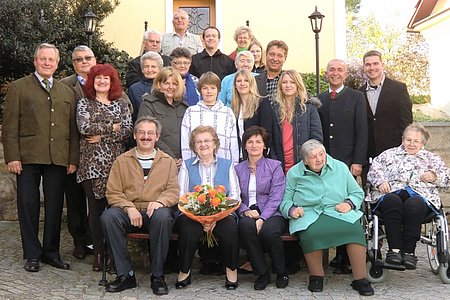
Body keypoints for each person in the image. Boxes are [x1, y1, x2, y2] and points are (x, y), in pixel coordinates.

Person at [3, 43, 78, 272]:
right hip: (27, 156)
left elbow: (72, 129)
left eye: (51, 60)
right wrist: (12, 156)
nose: (47, 63)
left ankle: (51, 253)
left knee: (55, 206)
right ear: (35, 61)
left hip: (58, 158)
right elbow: (9, 126)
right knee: (28, 205)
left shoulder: (67, 91)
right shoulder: (19, 87)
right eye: (43, 59)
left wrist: (72, 158)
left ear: (57, 63)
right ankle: (32, 254)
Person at [279, 140, 374, 296]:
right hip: (308, 213)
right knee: (310, 233)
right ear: (305, 160)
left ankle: (360, 279)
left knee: (354, 230)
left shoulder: (340, 167)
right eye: (313, 156)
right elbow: (285, 201)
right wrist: (291, 210)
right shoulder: (294, 173)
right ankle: (316, 276)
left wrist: (349, 204)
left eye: (321, 154)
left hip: (337, 210)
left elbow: (357, 193)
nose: (319, 159)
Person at [101, 116, 179, 295]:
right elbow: (113, 192)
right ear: (135, 135)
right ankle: (125, 275)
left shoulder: (167, 162)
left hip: (156, 213)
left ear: (157, 137)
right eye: (141, 132)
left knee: (164, 216)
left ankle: (157, 276)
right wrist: (128, 207)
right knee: (108, 217)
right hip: (129, 212)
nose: (146, 137)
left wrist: (160, 202)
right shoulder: (122, 161)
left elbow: (173, 191)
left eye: (150, 133)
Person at [366, 124, 450, 270]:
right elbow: (374, 170)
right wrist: (380, 182)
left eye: (416, 141)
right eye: (408, 140)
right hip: (390, 193)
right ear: (402, 139)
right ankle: (394, 251)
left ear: (423, 143)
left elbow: (447, 179)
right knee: (392, 200)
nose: (411, 144)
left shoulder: (432, 159)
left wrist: (434, 176)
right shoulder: (388, 154)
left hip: (421, 196)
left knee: (414, 204)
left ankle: (409, 252)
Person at [76, 64, 132, 272]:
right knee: (96, 210)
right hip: (92, 166)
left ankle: (113, 253)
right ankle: (99, 252)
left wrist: (102, 136)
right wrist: (111, 127)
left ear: (112, 82)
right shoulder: (84, 103)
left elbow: (127, 131)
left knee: (115, 210)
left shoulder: (121, 104)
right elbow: (84, 127)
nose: (102, 82)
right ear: (92, 81)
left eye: (106, 79)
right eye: (98, 78)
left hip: (116, 165)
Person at [317, 58, 368, 274]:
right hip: (325, 163)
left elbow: (362, 130)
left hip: (347, 162)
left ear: (345, 74)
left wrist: (358, 161)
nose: (335, 73)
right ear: (326, 73)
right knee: (329, 203)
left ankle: (345, 256)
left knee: (346, 206)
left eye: (339, 70)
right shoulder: (319, 99)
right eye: (331, 70)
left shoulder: (356, 97)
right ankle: (331, 254)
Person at [176, 125, 241, 290]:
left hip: (223, 214)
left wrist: (214, 217)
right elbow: (182, 195)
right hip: (192, 214)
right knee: (188, 230)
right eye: (198, 142)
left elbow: (234, 195)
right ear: (194, 146)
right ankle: (185, 271)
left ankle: (231, 270)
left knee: (230, 228)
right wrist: (199, 216)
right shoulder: (187, 165)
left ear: (215, 144)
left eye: (207, 141)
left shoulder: (227, 165)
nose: (203, 144)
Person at [235, 126, 288, 290]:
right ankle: (262, 273)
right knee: (244, 226)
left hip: (273, 213)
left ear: (264, 146)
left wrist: (263, 218)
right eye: (250, 142)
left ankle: (281, 271)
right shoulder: (237, 168)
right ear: (244, 146)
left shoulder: (274, 166)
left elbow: (277, 196)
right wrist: (244, 209)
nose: (254, 145)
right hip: (248, 212)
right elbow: (234, 194)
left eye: (258, 142)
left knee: (269, 231)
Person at [60, 45, 94, 260]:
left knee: (99, 200)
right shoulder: (64, 85)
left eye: (88, 58)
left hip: (101, 153)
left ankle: (95, 240)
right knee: (75, 200)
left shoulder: (105, 80)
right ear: (73, 63)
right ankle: (79, 241)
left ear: (95, 59)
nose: (84, 62)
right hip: (74, 150)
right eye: (79, 59)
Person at [360, 50, 413, 161]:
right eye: (368, 64)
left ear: (382, 65)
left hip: (395, 154)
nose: (372, 67)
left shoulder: (399, 89)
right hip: (369, 155)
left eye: (375, 63)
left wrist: (405, 149)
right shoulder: (359, 93)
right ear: (364, 67)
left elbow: (406, 122)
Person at [181, 71, 239, 164]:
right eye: (205, 88)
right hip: (196, 164)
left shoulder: (227, 112)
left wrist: (234, 165)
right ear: (200, 90)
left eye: (213, 88)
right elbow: (185, 141)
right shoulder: (191, 112)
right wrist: (188, 164)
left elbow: (233, 143)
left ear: (218, 90)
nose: (209, 92)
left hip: (222, 163)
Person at [272, 70, 323, 172]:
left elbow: (316, 139)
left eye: (292, 82)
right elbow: (271, 139)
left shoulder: (309, 109)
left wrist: (309, 162)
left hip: (302, 165)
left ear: (298, 85)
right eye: (285, 82)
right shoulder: (274, 109)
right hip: (279, 165)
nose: (288, 85)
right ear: (280, 85)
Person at [138, 66, 188, 168]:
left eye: (174, 84)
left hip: (182, 163)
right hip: (157, 161)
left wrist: (184, 157)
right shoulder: (149, 104)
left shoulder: (184, 107)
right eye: (166, 83)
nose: (171, 87)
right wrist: (170, 157)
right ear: (159, 85)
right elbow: (148, 134)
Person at [230, 69, 273, 161]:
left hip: (258, 156)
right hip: (239, 156)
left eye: (246, 80)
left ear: (251, 84)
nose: (242, 84)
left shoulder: (262, 103)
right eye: (239, 81)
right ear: (235, 85)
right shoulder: (234, 107)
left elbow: (267, 132)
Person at [128, 51, 163, 122]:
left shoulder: (165, 87)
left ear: (159, 69)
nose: (149, 70)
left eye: (153, 67)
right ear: (142, 69)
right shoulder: (134, 89)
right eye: (146, 66)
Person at [264, 40, 288, 105]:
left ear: (285, 59)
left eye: (279, 56)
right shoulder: (255, 80)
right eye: (272, 54)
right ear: (266, 55)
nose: (275, 59)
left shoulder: (291, 80)